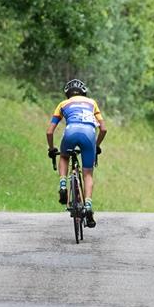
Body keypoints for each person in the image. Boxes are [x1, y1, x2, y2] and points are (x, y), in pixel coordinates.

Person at [46, 78, 107, 228]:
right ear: (83, 92)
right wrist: (96, 145)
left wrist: (52, 148)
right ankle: (87, 205)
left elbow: (49, 131)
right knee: (87, 174)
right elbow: (104, 129)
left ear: (68, 94)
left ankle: (62, 184)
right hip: (89, 135)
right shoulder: (92, 103)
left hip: (70, 132)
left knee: (64, 156)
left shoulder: (62, 104)